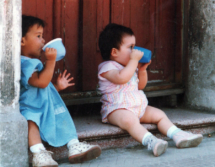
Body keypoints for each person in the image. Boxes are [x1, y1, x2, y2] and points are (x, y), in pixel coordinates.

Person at [98, 23, 203, 157]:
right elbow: (121, 78)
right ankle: (151, 141)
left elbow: (140, 86)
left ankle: (177, 135)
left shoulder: (131, 66)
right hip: (116, 109)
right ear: (114, 52)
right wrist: (134, 61)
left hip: (136, 106)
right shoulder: (107, 67)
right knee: (130, 121)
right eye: (130, 47)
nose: (135, 50)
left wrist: (142, 70)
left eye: (134, 46)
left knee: (159, 115)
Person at [20, 15, 101, 167]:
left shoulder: (34, 62)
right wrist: (51, 61)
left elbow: (43, 88)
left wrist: (57, 87)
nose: (43, 41)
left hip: (45, 105)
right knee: (31, 123)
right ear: (21, 40)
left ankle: (74, 145)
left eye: (43, 36)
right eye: (38, 36)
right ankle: (39, 153)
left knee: (63, 118)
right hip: (31, 108)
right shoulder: (24, 63)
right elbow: (41, 82)